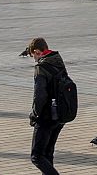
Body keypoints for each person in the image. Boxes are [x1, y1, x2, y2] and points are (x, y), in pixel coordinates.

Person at [22, 38, 70, 175]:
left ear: (37, 52)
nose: (34, 59)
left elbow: (40, 96)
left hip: (46, 116)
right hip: (60, 113)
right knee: (48, 153)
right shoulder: (58, 61)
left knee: (37, 156)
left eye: (33, 56)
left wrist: (35, 114)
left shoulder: (41, 68)